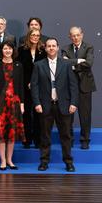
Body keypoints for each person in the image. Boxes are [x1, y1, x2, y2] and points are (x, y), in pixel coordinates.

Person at [31, 38, 78, 172]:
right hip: (45, 105)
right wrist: (37, 103)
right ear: (45, 49)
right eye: (49, 46)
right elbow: (34, 86)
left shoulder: (66, 64)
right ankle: (44, 162)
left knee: (66, 135)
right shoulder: (38, 65)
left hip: (63, 105)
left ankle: (68, 162)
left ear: (58, 48)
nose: (51, 48)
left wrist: (73, 102)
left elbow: (73, 86)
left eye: (53, 46)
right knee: (45, 136)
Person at [0, 40, 25, 170]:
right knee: (1, 132)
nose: (7, 51)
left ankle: (10, 160)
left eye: (9, 49)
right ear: (1, 51)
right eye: (5, 49)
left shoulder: (19, 65)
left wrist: (22, 103)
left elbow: (21, 86)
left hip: (14, 102)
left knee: (11, 133)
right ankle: (2, 161)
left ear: (13, 51)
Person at [62, 26, 96, 150]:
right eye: (73, 35)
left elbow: (88, 64)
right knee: (68, 116)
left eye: (77, 35)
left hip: (85, 86)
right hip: (69, 86)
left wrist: (72, 64)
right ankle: (69, 140)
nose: (75, 38)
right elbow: (63, 63)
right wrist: (79, 60)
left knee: (85, 115)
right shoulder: (65, 48)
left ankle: (85, 140)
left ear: (82, 35)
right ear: (69, 36)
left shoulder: (89, 47)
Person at [17, 28, 46, 148]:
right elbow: (18, 69)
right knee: (26, 114)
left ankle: (38, 140)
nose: (35, 37)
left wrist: (34, 83)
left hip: (39, 87)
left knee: (38, 113)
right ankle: (27, 140)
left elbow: (45, 69)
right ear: (29, 36)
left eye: (37, 35)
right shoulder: (21, 50)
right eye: (33, 35)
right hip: (24, 86)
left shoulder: (43, 51)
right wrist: (27, 82)